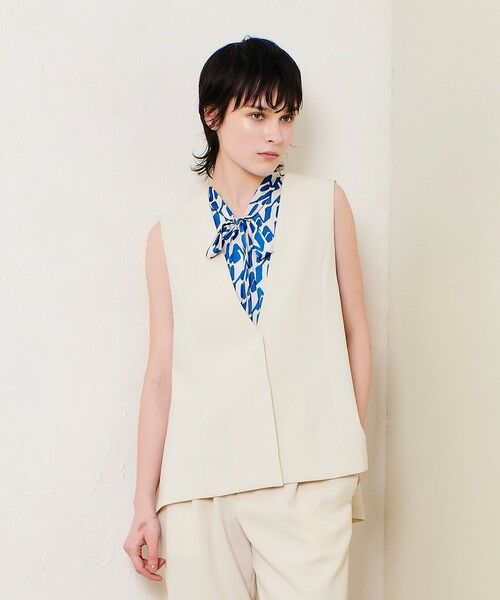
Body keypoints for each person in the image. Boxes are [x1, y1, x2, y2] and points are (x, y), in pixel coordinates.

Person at [123, 35, 371, 599]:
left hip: (307, 476)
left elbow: (357, 331)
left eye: (286, 117)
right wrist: (144, 501)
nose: (275, 134)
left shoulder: (325, 204)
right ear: (213, 116)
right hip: (199, 485)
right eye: (257, 115)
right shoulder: (168, 236)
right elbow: (160, 374)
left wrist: (345, 447)